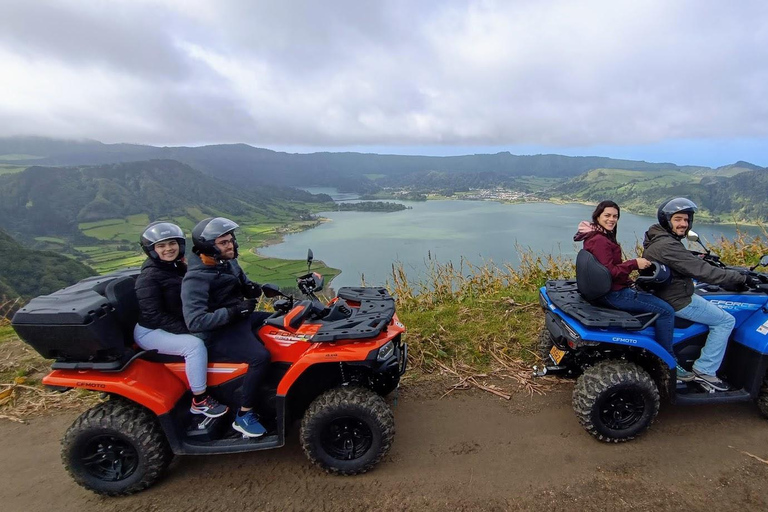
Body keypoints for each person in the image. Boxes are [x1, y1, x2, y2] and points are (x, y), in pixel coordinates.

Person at [643, 198, 749, 392]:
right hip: (678, 299)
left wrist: (693, 256)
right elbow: (704, 272)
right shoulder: (667, 245)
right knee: (725, 321)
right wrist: (739, 278)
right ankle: (705, 370)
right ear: (667, 220)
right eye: (678, 219)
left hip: (669, 293)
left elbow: (680, 260)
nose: (683, 224)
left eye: (686, 219)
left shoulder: (658, 238)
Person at [181, 217, 271, 438]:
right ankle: (244, 415)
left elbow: (242, 284)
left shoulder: (228, 262)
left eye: (230, 240)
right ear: (208, 247)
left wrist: (253, 290)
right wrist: (231, 312)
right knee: (260, 357)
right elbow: (195, 321)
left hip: (239, 320)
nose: (230, 245)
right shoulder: (195, 278)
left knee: (279, 323)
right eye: (223, 242)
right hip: (218, 332)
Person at [574, 201, 684, 375]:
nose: (611, 219)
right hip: (614, 293)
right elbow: (610, 272)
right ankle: (667, 360)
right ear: (597, 216)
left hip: (605, 290)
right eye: (607, 215)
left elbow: (607, 268)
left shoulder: (594, 234)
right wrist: (634, 264)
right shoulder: (601, 241)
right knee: (666, 311)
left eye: (615, 216)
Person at [134, 221, 228, 418]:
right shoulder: (149, 277)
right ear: (151, 250)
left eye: (172, 243)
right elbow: (154, 315)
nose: (168, 249)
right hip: (151, 331)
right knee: (194, 345)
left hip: (175, 323)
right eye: (161, 245)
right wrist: (190, 328)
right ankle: (200, 400)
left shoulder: (177, 266)